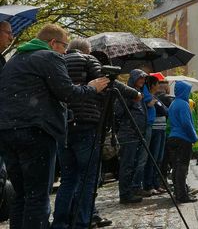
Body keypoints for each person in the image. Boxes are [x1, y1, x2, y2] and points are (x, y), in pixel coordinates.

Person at [0, 24, 109, 229]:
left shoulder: (15, 60)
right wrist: (91, 88)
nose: (65, 52)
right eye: (64, 46)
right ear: (53, 43)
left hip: (7, 131)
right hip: (36, 131)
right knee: (37, 196)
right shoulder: (49, 56)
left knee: (21, 194)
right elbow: (67, 93)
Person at [52, 38, 139, 229]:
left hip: (64, 124)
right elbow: (108, 83)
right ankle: (83, 221)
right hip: (86, 123)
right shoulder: (88, 60)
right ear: (86, 51)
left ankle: (60, 222)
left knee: (68, 179)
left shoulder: (59, 61)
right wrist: (134, 94)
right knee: (87, 177)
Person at [114, 69, 149, 204]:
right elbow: (118, 112)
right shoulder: (128, 93)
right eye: (140, 78)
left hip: (137, 134)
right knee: (127, 165)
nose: (142, 81)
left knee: (133, 164)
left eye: (143, 79)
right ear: (134, 78)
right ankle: (125, 194)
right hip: (129, 134)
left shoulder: (137, 94)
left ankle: (130, 191)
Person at [167, 81, 198, 203]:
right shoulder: (183, 104)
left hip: (173, 137)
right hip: (183, 139)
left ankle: (178, 192)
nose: (189, 93)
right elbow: (186, 123)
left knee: (176, 167)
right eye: (188, 91)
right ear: (184, 91)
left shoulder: (173, 103)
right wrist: (194, 137)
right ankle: (182, 195)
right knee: (182, 168)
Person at [143, 75, 169, 193]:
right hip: (155, 129)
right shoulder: (150, 98)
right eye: (157, 84)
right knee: (153, 158)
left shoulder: (155, 98)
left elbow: (165, 110)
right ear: (152, 85)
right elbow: (163, 110)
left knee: (158, 158)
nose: (159, 86)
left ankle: (156, 183)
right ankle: (149, 185)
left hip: (161, 129)